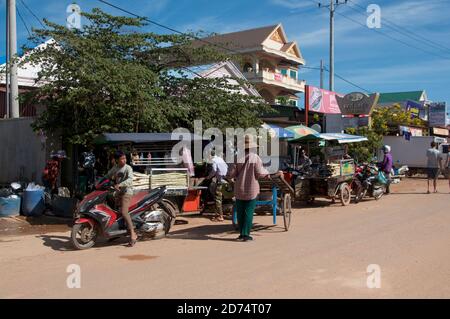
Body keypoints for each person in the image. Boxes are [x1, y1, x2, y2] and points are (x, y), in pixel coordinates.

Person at [227, 135, 277, 242]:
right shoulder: (255, 158)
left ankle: (241, 234)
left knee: (240, 212)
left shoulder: (237, 157)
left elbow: (231, 174)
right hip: (251, 188)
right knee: (248, 212)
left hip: (239, 188)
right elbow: (259, 173)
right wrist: (267, 174)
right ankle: (246, 235)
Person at [105, 150, 137, 247]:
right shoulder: (115, 168)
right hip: (118, 192)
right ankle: (116, 231)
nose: (124, 160)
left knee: (123, 212)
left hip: (127, 192)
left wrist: (120, 184)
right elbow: (108, 175)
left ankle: (133, 233)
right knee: (112, 210)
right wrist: (100, 181)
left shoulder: (128, 168)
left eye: (125, 158)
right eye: (122, 159)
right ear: (116, 160)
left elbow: (130, 180)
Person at [206, 149, 228, 222]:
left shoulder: (214, 161)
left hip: (221, 181)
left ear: (210, 155)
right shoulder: (220, 159)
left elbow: (214, 171)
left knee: (218, 199)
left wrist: (208, 177)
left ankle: (220, 216)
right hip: (227, 180)